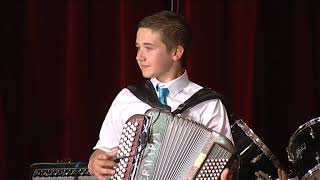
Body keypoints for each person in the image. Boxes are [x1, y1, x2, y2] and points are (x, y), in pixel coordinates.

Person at [88, 10, 234, 180]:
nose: (138, 57)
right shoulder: (127, 97)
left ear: (176, 53)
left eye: (148, 48)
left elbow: (223, 164)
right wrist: (95, 163)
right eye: (138, 48)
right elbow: (102, 150)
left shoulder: (208, 105)